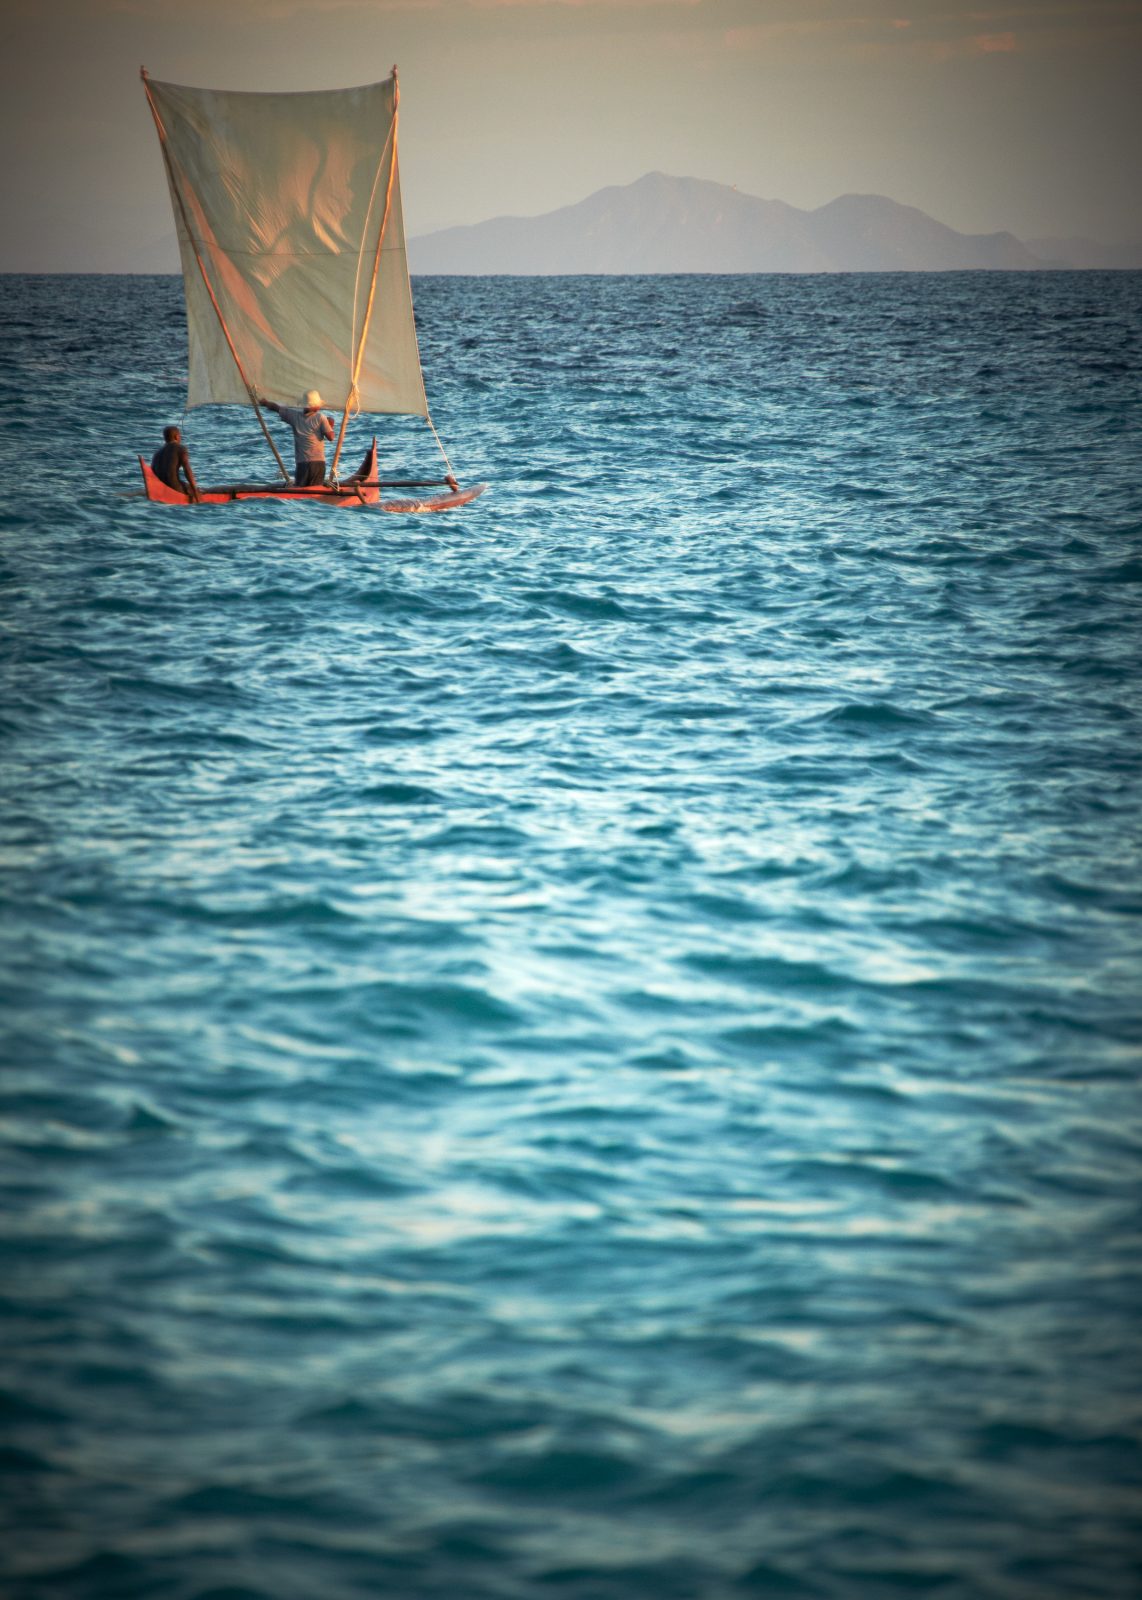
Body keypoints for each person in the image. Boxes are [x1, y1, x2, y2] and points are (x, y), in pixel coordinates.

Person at [259, 390, 335, 487]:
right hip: (318, 463)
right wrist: (330, 425)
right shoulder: (321, 418)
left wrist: (265, 402)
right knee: (315, 490)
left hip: (302, 464)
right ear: (314, 406)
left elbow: (276, 408)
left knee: (300, 489)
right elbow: (331, 437)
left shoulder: (294, 416)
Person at [151, 425, 201, 501]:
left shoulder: (157, 453)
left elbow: (153, 474)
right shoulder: (181, 448)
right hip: (175, 488)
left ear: (165, 438)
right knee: (200, 491)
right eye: (180, 436)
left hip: (160, 488)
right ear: (176, 437)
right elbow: (187, 470)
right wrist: (195, 491)